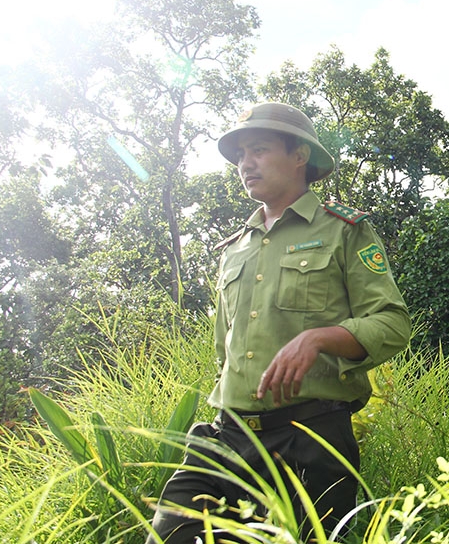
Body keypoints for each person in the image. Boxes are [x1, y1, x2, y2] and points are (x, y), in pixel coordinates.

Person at [147, 102, 411, 543]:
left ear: (299, 155)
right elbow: (224, 351)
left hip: (308, 439)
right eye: (239, 156)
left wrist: (320, 338)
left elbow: (391, 323)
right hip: (226, 436)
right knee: (172, 530)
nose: (244, 164)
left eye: (259, 150)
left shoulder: (344, 230)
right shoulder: (234, 248)